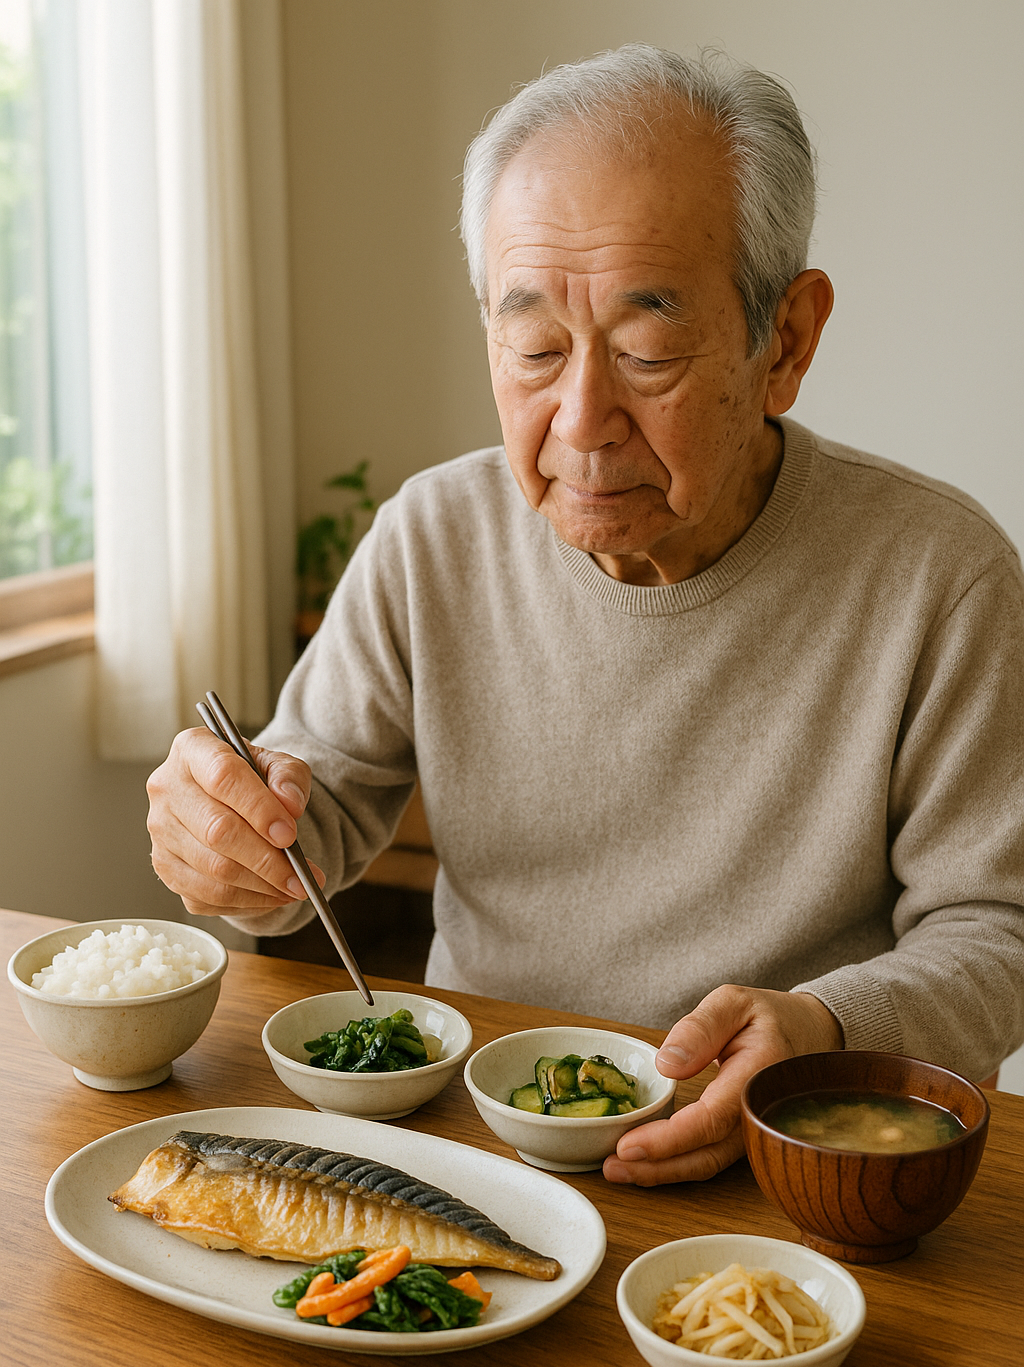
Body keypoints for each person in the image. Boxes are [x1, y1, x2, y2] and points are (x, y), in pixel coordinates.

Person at [146, 45, 1024, 1185]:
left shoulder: (937, 574)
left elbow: (998, 929)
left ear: (787, 342)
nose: (579, 421)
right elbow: (308, 809)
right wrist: (230, 839)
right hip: (474, 1141)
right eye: (534, 349)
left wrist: (825, 1031)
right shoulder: (432, 535)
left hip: (786, 1156)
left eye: (647, 352)